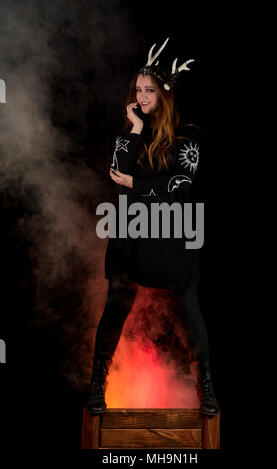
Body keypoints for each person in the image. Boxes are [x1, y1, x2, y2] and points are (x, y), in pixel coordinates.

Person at [86, 38, 219, 417]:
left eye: (148, 90)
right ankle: (97, 383)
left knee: (189, 310)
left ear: (164, 93)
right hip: (132, 232)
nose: (141, 96)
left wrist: (136, 187)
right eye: (137, 90)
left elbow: (181, 187)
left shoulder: (187, 134)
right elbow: (117, 175)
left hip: (172, 233)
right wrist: (133, 129)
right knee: (116, 304)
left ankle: (206, 386)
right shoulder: (131, 130)